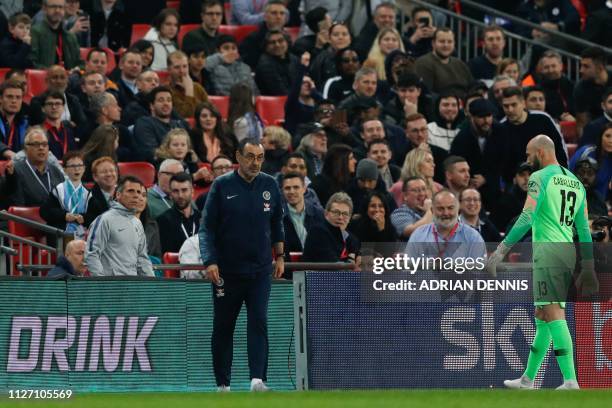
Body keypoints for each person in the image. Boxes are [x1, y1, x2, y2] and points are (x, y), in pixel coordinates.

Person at [488, 135, 595, 390]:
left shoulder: (539, 178)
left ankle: (570, 381)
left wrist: (500, 251)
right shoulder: (576, 183)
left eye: (529, 154)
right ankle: (528, 379)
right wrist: (588, 265)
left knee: (554, 313)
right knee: (542, 314)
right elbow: (583, 228)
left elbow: (527, 217)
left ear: (541, 152)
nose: (527, 160)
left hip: (547, 252)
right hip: (567, 252)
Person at [199, 138, 284, 392]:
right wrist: (210, 261)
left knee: (259, 321)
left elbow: (277, 224)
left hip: (260, 270)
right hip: (227, 271)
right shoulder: (221, 185)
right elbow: (207, 229)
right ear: (238, 156)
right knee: (224, 326)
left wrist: (280, 256)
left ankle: (257, 380)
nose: (255, 163)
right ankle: (223, 384)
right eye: (249, 156)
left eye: (259, 157)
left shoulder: (270, 184)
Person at [86, 175, 154, 277]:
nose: (136, 196)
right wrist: (101, 284)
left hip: (132, 286)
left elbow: (142, 258)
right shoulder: (104, 220)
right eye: (131, 191)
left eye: (139, 192)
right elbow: (92, 254)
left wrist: (152, 285)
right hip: (110, 288)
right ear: (118, 195)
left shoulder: (137, 223)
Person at [499, 86, 568, 184]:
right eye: (506, 106)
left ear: (523, 103)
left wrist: (562, 175)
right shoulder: (500, 129)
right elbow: (502, 163)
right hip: (517, 185)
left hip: (548, 179)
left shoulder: (543, 119)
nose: (510, 110)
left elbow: (560, 149)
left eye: (514, 105)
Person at [407, 189, 486, 258]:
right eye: (440, 209)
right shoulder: (418, 235)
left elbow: (479, 272)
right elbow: (408, 270)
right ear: (432, 210)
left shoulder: (473, 237)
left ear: (458, 209)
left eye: (450, 208)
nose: (446, 213)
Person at [2, 127, 65, 207]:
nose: (41, 148)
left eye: (44, 144)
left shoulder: (55, 171)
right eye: (36, 144)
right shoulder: (16, 171)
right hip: (27, 218)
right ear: (25, 149)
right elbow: (17, 205)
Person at [133, 86, 189, 163]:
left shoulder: (179, 124)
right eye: (161, 100)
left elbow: (189, 150)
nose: (166, 103)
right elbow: (151, 153)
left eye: (169, 100)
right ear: (152, 106)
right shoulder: (145, 123)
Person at [40, 151, 89, 238]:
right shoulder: (58, 190)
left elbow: (95, 214)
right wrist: (64, 216)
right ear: (64, 169)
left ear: (84, 168)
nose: (77, 169)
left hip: (82, 234)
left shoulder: (88, 192)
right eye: (73, 166)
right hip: (60, 235)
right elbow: (45, 211)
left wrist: (84, 218)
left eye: (79, 166)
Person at [302, 192, 360, 265]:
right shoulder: (318, 232)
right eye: (336, 212)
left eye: (345, 214)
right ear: (326, 214)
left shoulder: (351, 238)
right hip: (314, 276)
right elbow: (333, 265)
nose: (340, 217)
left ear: (349, 218)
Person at [414, 27, 473, 99]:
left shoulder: (460, 64)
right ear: (433, 43)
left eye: (450, 42)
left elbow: (472, 87)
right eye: (442, 41)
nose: (446, 45)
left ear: (454, 44)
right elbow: (426, 94)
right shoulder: (423, 63)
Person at [156, 172, 201, 254]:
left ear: (192, 192)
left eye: (184, 190)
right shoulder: (162, 221)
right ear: (170, 194)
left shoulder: (202, 219)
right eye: (176, 191)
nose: (180, 195)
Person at [281, 171, 325, 254]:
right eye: (287, 188)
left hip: (317, 264)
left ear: (304, 189)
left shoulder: (319, 214)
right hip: (288, 265)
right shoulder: (276, 216)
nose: (291, 191)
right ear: (282, 191)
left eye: (296, 187)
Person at [30, 0, 81, 69]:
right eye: (53, 7)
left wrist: (78, 72)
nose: (57, 10)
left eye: (60, 7)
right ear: (44, 8)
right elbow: (31, 62)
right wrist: (52, 72)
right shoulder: (34, 32)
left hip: (69, 78)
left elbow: (80, 64)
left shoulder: (70, 37)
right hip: (44, 77)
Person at [238, 0, 288, 69]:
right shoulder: (252, 39)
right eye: (274, 13)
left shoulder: (287, 38)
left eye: (282, 13)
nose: (279, 17)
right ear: (265, 16)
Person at [574, 47, 612, 135]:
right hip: (597, 133)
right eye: (581, 65)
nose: (581, 70)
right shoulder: (580, 88)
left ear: (600, 67)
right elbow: (582, 123)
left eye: (586, 66)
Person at [569, 122, 612, 198]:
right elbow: (570, 175)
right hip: (578, 197)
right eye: (607, 136)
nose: (611, 141)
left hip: (599, 202)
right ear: (600, 137)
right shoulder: (587, 152)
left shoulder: (609, 159)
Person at [490, 162, 532, 232]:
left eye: (530, 175)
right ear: (514, 180)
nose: (527, 178)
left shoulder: (540, 198)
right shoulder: (505, 202)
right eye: (522, 175)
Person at [255, 30, 298, 96]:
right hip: (275, 102)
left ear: (287, 42)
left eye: (280, 41)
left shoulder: (294, 59)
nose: (277, 45)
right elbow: (280, 92)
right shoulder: (265, 65)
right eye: (272, 42)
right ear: (266, 47)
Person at [168, 50, 208, 119]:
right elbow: (186, 116)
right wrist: (189, 91)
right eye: (177, 67)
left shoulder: (197, 87)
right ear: (169, 69)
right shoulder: (167, 90)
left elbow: (211, 111)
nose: (182, 71)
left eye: (185, 66)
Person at [536, 50, 575, 122]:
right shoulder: (538, 91)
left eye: (553, 66)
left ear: (561, 66)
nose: (550, 70)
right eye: (546, 67)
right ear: (541, 69)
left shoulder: (573, 86)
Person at [390, 176, 433, 240]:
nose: (422, 193)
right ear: (405, 196)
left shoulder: (436, 211)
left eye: (424, 189)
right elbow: (412, 231)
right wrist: (429, 211)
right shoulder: (399, 213)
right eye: (416, 190)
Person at [83, 156, 117, 226]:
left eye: (112, 171)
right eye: (104, 172)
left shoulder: (126, 193)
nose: (109, 174)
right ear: (95, 177)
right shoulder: (88, 198)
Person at [0, 80, 29, 159]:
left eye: (18, 97)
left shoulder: (24, 123)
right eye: (9, 97)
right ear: (1, 99)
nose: (14, 101)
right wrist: (6, 151)